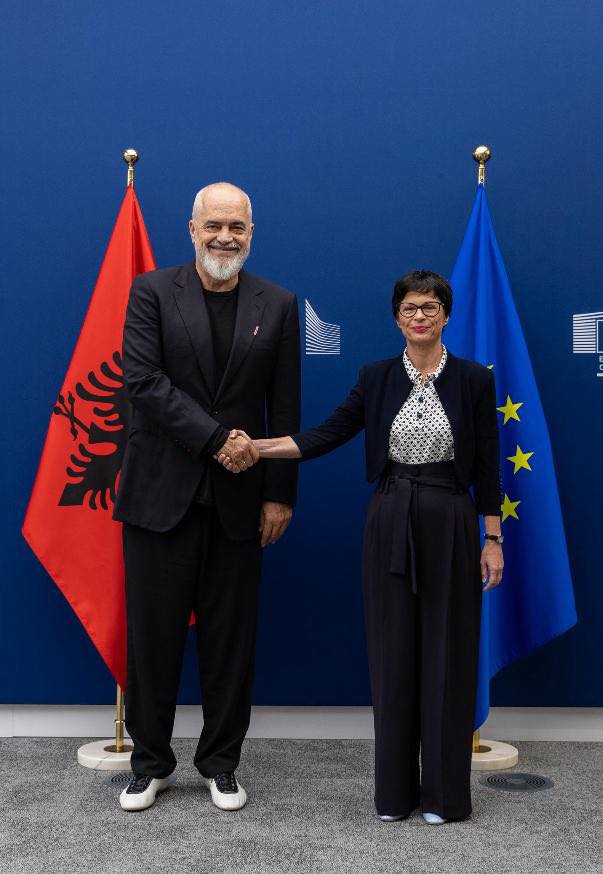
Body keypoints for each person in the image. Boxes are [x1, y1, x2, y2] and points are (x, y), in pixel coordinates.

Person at [219, 269, 503, 824]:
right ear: (396, 318)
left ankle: (443, 796)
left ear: (446, 315)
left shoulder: (473, 380)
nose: (419, 316)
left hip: (450, 517)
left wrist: (491, 538)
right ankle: (395, 795)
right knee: (392, 653)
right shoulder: (376, 377)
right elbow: (326, 434)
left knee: (447, 653)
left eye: (430, 307)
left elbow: (489, 466)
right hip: (390, 515)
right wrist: (258, 447)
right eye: (409, 308)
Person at [113, 182, 301, 812]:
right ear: (191, 229)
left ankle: (221, 763)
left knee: (230, 643)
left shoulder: (279, 304)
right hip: (158, 499)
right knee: (153, 641)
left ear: (251, 233)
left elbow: (285, 407)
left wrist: (280, 495)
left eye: (236, 227)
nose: (225, 237)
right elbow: (144, 382)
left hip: (240, 505)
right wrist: (218, 439)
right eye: (214, 225)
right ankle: (150, 764)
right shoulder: (151, 291)